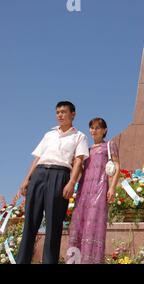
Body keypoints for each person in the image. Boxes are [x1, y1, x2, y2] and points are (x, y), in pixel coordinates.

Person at [17, 101, 89, 264]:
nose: (60, 115)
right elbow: (37, 157)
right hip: (39, 174)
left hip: (60, 175)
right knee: (30, 223)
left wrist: (71, 182)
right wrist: (27, 178)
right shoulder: (49, 134)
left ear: (73, 114)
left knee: (53, 225)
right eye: (57, 112)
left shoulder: (79, 136)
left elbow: (78, 161)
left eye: (63, 112)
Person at [67, 118, 120, 264]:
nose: (93, 131)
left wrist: (113, 187)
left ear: (104, 130)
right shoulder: (87, 150)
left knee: (94, 226)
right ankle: (76, 260)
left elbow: (117, 166)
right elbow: (82, 171)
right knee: (80, 225)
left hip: (100, 188)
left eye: (97, 128)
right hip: (84, 191)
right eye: (91, 128)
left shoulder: (109, 145)